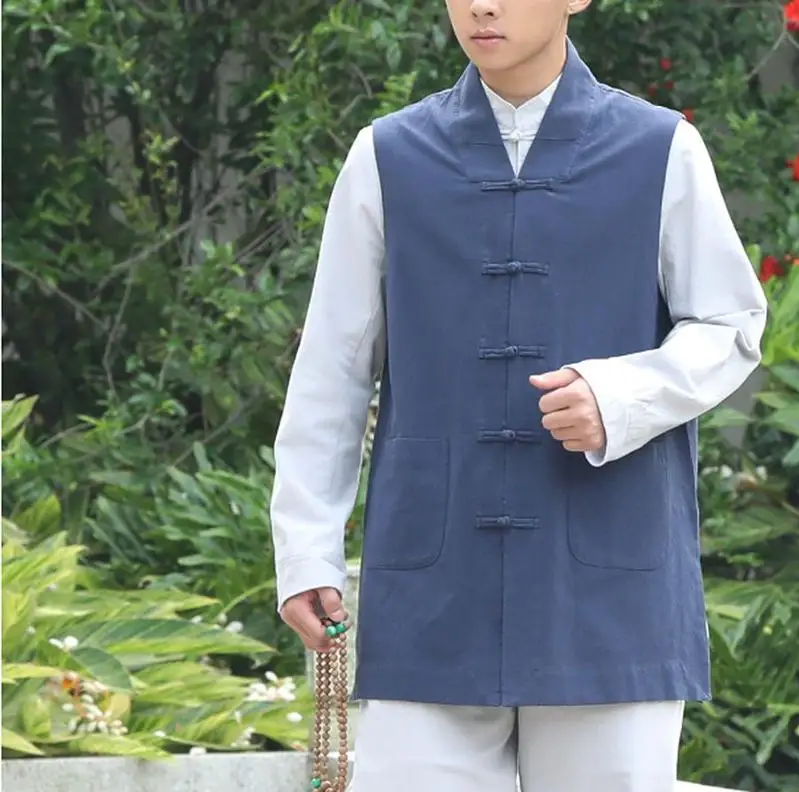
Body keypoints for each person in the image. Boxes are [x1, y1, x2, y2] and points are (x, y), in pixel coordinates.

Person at [270, 0, 767, 789]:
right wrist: (306, 550)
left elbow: (731, 324)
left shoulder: (660, 149)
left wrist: (621, 396)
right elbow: (334, 365)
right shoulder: (386, 157)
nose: (482, 5)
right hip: (431, 588)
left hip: (610, 592)